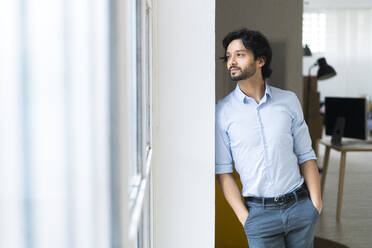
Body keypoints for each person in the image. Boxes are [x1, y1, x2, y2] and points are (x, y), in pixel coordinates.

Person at [215, 28, 322, 248]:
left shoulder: (289, 101)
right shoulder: (222, 112)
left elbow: (306, 155)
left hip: (300, 207)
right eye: (228, 56)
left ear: (261, 60)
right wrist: (245, 219)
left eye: (239, 54)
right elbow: (223, 172)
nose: (231, 61)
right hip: (258, 216)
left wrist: (315, 205)